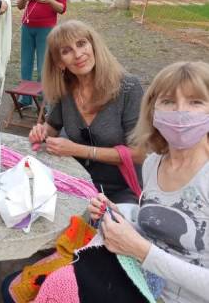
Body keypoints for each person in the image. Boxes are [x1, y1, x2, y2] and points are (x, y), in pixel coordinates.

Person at [84, 61, 209, 303]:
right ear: (153, 110)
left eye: (196, 102)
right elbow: (161, 229)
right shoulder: (154, 164)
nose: (180, 112)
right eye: (168, 101)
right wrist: (120, 216)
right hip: (141, 283)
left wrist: (140, 250)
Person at [29, 20, 144, 203]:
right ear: (60, 63)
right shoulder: (65, 89)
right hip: (76, 182)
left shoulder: (129, 88)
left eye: (81, 44)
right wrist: (41, 132)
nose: (78, 54)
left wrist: (77, 150)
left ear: (93, 45)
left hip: (122, 190)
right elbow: (52, 126)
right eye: (66, 51)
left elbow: (139, 154)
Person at [17, 0, 67, 106]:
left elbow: (62, 8)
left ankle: (42, 99)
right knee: (26, 63)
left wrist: (51, 1)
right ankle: (24, 98)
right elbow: (19, 5)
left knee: (43, 65)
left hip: (46, 29)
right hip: (27, 27)